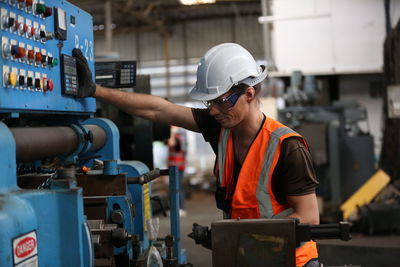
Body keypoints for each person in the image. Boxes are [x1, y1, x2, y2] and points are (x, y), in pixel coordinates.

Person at [72, 43, 320, 267]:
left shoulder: (287, 147)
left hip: (291, 261)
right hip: (248, 257)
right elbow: (158, 110)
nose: (213, 111)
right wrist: (95, 90)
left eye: (221, 101)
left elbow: (309, 218)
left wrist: (239, 241)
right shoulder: (221, 127)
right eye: (209, 103)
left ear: (249, 93)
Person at [167, 126, 187, 216]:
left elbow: (171, 143)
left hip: (177, 167)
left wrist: (172, 133)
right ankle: (177, 208)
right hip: (175, 166)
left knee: (177, 187)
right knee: (175, 187)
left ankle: (180, 208)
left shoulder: (178, 138)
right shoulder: (179, 137)